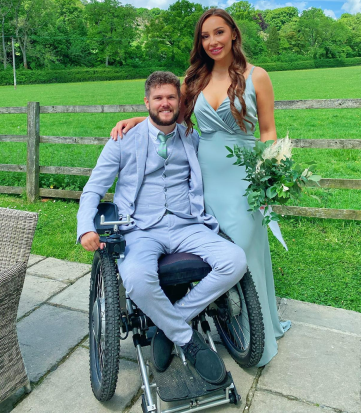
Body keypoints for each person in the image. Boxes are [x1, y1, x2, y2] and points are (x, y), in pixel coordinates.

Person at [109, 8, 289, 367]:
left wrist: (270, 177)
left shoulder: (258, 77)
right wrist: (136, 119)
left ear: (234, 34)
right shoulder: (193, 78)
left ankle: (256, 333)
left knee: (244, 247)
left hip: (243, 175)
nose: (212, 42)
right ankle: (206, 318)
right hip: (201, 176)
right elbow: (166, 110)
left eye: (219, 33)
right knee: (209, 248)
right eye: (205, 36)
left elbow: (268, 130)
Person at [77, 71, 247, 384]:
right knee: (138, 282)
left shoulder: (190, 136)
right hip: (141, 229)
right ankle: (188, 339)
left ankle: (170, 326)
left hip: (187, 224)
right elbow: (93, 189)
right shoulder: (122, 140)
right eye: (158, 98)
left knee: (236, 261)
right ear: (147, 102)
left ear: (180, 102)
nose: (165, 103)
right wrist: (86, 228)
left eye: (171, 97)